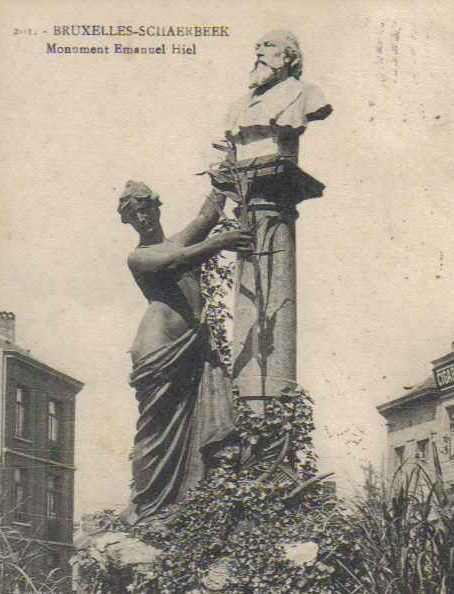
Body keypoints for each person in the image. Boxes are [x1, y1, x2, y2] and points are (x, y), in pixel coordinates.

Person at [117, 180, 252, 525]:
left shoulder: (175, 240)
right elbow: (176, 261)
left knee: (179, 428)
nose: (144, 216)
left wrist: (221, 181)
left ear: (158, 207)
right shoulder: (140, 256)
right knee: (156, 432)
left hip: (185, 348)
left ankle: (179, 506)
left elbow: (206, 217)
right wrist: (222, 242)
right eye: (135, 213)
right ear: (127, 221)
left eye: (147, 207)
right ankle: (148, 507)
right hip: (160, 350)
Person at [224, 30, 332, 161]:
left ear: (288, 56)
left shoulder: (308, 92)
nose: (259, 53)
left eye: (269, 45)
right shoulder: (241, 103)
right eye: (258, 47)